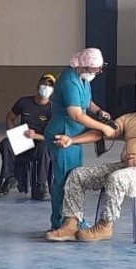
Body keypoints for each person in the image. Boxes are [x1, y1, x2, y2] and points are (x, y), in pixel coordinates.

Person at [45, 80, 136, 242]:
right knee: (77, 175)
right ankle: (71, 223)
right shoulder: (129, 119)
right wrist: (72, 140)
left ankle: (105, 225)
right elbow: (102, 132)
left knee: (117, 178)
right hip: (125, 166)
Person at [43, 48, 114, 230]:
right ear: (83, 66)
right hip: (63, 134)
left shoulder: (82, 79)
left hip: (74, 136)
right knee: (63, 179)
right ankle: (60, 222)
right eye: (94, 69)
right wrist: (103, 127)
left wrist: (98, 111)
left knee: (74, 178)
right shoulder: (69, 81)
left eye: (99, 69)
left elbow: (86, 102)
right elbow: (75, 114)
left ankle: (74, 218)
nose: (97, 73)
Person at [0, 73, 55, 200]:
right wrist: (13, 132)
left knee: (46, 147)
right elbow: (10, 117)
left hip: (40, 143)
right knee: (5, 144)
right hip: (23, 141)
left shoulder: (53, 109)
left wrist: (36, 135)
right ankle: (10, 177)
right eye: (44, 84)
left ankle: (40, 185)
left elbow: (53, 136)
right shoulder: (24, 102)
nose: (46, 88)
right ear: (38, 85)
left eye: (49, 86)